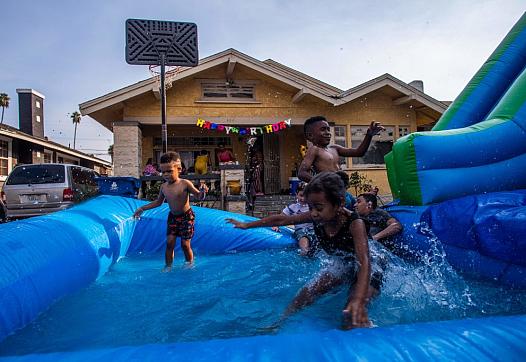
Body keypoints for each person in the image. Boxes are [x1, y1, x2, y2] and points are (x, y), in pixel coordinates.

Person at [227, 172, 381, 330]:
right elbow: (283, 219)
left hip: (371, 267)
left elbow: (364, 261)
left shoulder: (355, 223)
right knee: (304, 295)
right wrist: (246, 225)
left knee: (351, 313)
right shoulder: (318, 216)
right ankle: (278, 325)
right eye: (310, 207)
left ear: (339, 203)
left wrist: (358, 299)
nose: (313, 213)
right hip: (343, 263)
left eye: (319, 207)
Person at [133, 152, 208, 272]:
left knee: (185, 244)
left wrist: (202, 192)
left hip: (186, 217)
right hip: (173, 217)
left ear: (179, 169)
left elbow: (199, 196)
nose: (166, 174)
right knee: (169, 243)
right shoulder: (164, 187)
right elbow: (158, 202)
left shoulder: (185, 184)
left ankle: (189, 263)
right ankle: (168, 266)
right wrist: (142, 208)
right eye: (163, 172)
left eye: (169, 171)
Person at [298, 116, 384, 183]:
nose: (328, 133)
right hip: (329, 191)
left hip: (340, 188)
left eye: (328, 129)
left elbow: (359, 152)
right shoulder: (314, 150)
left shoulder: (334, 148)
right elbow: (302, 173)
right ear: (310, 136)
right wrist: (322, 184)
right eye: (323, 130)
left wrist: (369, 135)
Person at [272, 182, 315, 256]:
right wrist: (276, 225)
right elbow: (281, 217)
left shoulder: (313, 206)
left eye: (306, 196)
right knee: (304, 238)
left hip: (314, 230)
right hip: (301, 231)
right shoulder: (293, 207)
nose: (303, 198)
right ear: (296, 194)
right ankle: (304, 252)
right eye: (301, 195)